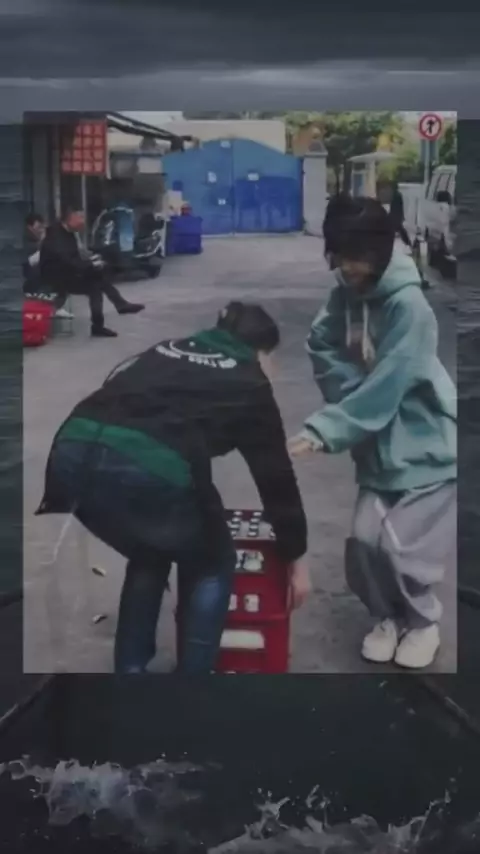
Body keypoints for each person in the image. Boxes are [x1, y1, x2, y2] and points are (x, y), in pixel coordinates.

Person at [36, 302, 311, 674]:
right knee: (213, 562)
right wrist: (296, 558)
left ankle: (130, 673)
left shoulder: (168, 348)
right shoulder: (250, 381)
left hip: (71, 458)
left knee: (151, 545)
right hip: (144, 468)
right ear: (261, 351)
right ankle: (191, 684)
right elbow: (276, 479)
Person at [289, 198, 456, 670]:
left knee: (403, 550)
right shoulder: (347, 289)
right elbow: (321, 342)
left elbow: (391, 384)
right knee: (364, 542)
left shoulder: (409, 306)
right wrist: (351, 391)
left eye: (355, 256)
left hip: (427, 448)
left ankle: (422, 622)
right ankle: (387, 617)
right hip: (378, 447)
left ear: (380, 250)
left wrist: (327, 428)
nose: (346, 267)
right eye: (339, 255)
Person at [39, 207, 144, 338]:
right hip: (54, 278)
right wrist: (90, 264)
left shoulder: (69, 233)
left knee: (97, 283)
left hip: (67, 272)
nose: (83, 221)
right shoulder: (56, 236)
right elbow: (66, 260)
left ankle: (104, 320)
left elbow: (76, 256)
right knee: (96, 281)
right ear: (70, 218)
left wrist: (92, 260)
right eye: (80, 217)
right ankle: (117, 307)